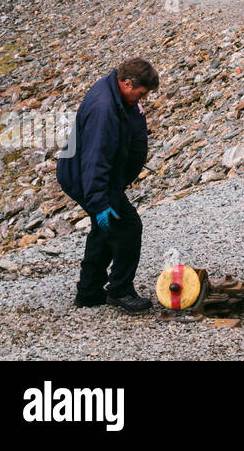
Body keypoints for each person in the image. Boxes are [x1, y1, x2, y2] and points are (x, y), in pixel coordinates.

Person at [57, 59, 158, 312]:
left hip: (100, 177)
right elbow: (95, 160)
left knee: (104, 229)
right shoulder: (104, 110)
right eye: (141, 93)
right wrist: (100, 203)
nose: (143, 98)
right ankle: (120, 290)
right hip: (88, 179)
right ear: (126, 83)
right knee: (127, 227)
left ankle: (89, 292)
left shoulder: (119, 94)